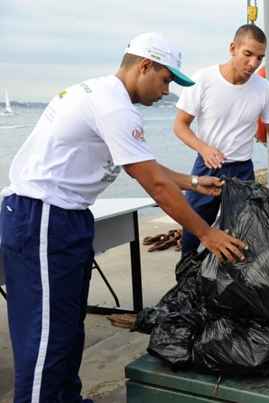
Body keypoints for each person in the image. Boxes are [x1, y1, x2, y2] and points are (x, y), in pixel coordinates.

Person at [0, 32, 245, 403]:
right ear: (144, 65)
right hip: (43, 218)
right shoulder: (114, 106)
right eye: (166, 80)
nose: (167, 92)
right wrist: (206, 233)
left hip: (64, 217)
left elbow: (147, 166)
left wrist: (194, 181)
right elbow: (156, 187)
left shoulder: (103, 95)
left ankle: (65, 397)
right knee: (45, 334)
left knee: (66, 327)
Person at [174, 24, 269, 256]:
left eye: (260, 58)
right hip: (207, 167)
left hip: (242, 171)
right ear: (233, 48)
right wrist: (204, 148)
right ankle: (185, 279)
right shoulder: (204, 80)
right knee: (193, 229)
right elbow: (180, 126)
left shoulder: (265, 89)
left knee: (244, 233)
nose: (254, 63)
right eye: (248, 54)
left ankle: (232, 287)